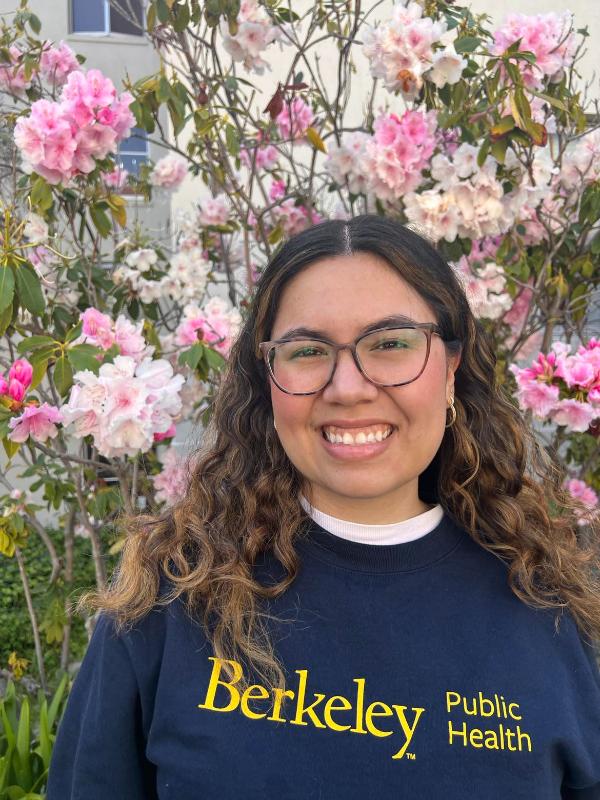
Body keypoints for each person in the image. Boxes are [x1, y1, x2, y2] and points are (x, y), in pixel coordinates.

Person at [47, 215, 600, 799]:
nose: (348, 387)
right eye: (307, 350)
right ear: (268, 378)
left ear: (450, 370)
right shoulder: (168, 603)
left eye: (390, 343)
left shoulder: (548, 615)